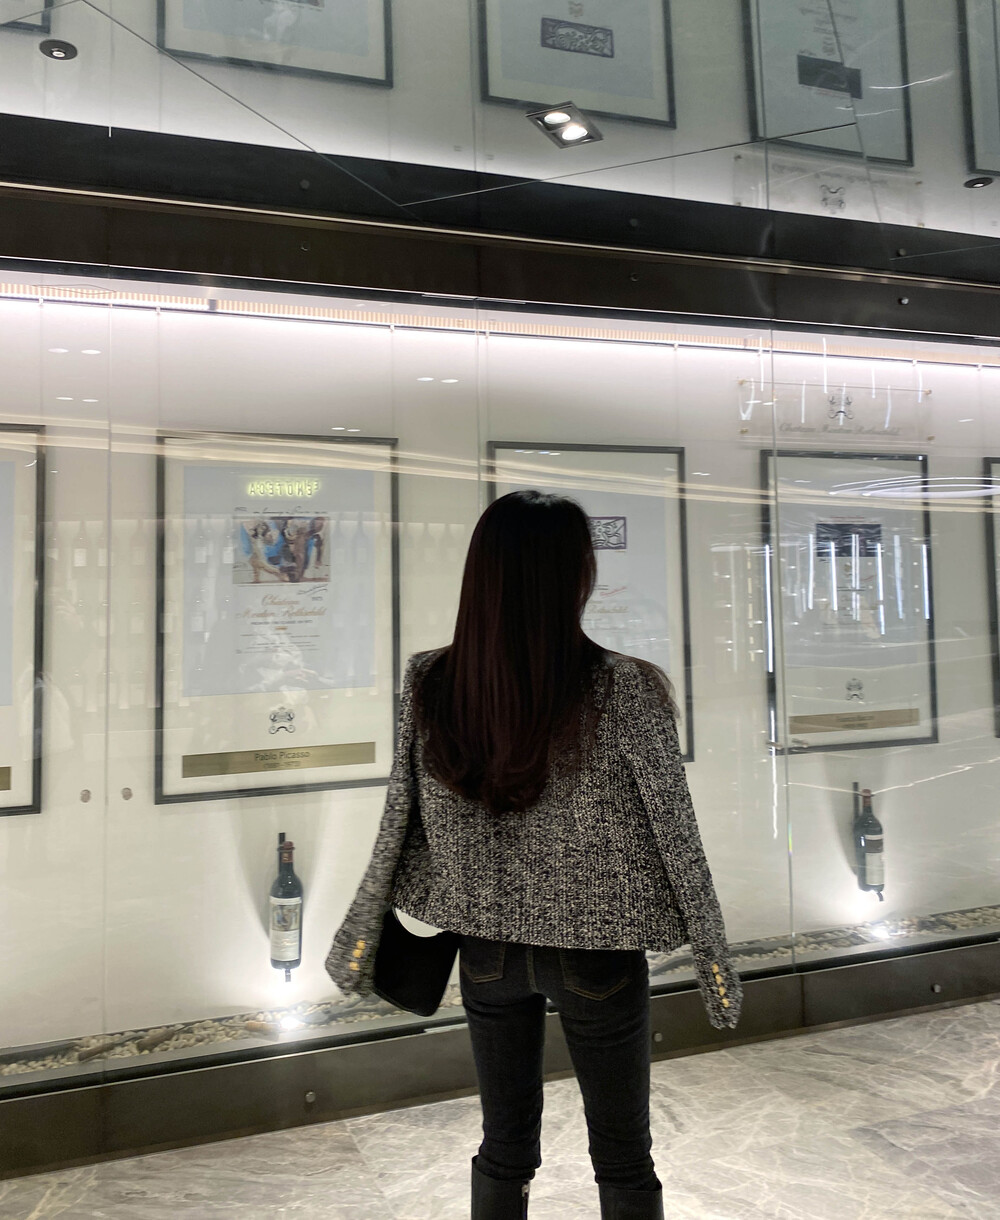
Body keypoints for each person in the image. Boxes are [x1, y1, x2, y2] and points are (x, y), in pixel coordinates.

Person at [328, 490, 743, 1220]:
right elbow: (676, 832)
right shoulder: (624, 687)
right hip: (597, 952)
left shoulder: (432, 681)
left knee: (504, 1146)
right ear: (574, 575)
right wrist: (713, 961)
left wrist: (366, 924)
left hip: (485, 947)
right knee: (623, 1155)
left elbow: (401, 812)